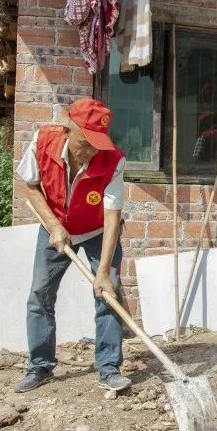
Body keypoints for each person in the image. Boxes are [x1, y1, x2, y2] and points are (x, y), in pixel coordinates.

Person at [13, 98, 131, 393]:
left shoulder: (114, 160)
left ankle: (108, 368)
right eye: (84, 142)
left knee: (108, 291)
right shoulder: (43, 140)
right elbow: (30, 186)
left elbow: (112, 217)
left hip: (97, 231)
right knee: (40, 294)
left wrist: (103, 271)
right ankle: (40, 365)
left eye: (96, 145)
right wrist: (53, 225)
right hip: (55, 227)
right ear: (69, 129)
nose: (89, 151)